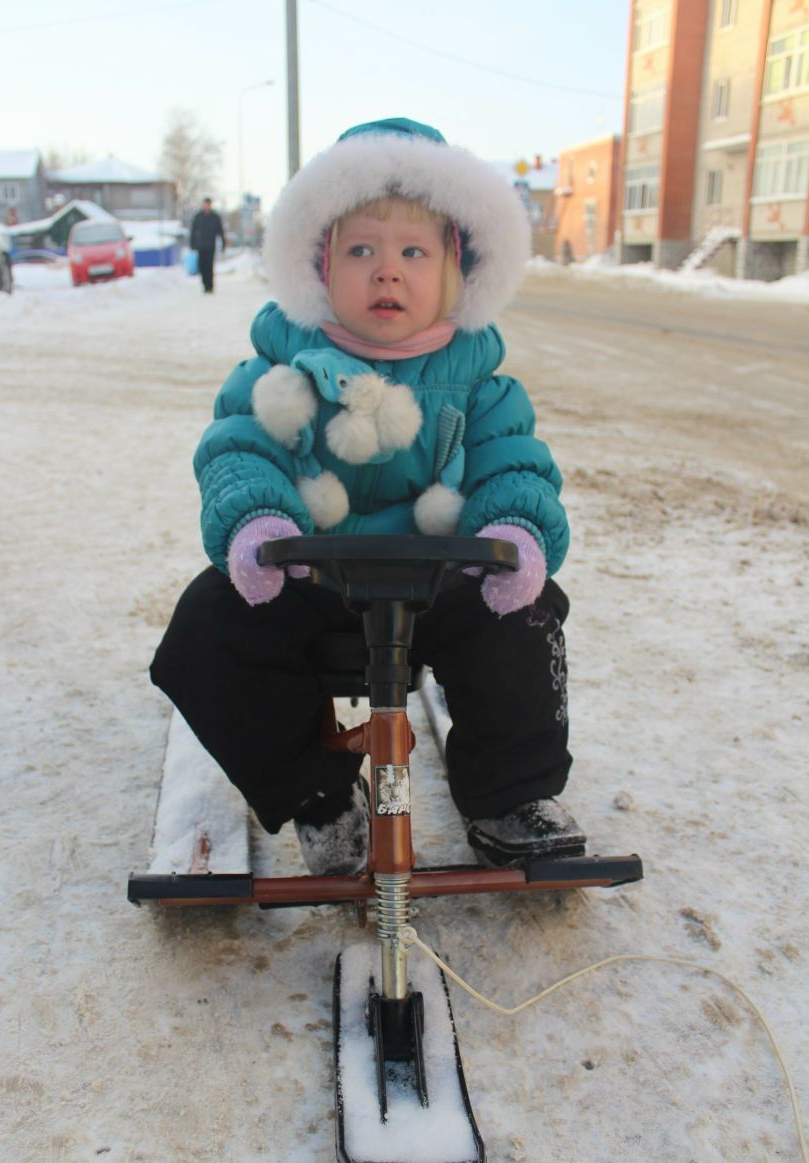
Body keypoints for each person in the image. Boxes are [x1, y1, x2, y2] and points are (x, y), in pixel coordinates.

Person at [151, 118, 572, 875]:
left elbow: (514, 463)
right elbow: (240, 448)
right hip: (308, 581)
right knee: (205, 628)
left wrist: (514, 532)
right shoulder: (280, 371)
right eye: (361, 251)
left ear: (458, 270)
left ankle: (511, 795)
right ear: (317, 266)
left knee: (526, 616)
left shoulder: (480, 382)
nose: (387, 272)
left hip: (442, 584)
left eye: (412, 252)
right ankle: (318, 797)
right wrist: (257, 521)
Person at [190, 197, 225, 293]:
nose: (207, 206)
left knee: (209, 266)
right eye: (205, 204)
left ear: (210, 205)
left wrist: (223, 243)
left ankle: (210, 286)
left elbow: (220, 232)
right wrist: (192, 244)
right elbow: (193, 231)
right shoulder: (198, 216)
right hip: (201, 246)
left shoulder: (215, 217)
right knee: (202, 266)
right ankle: (205, 285)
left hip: (210, 246)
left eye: (208, 204)